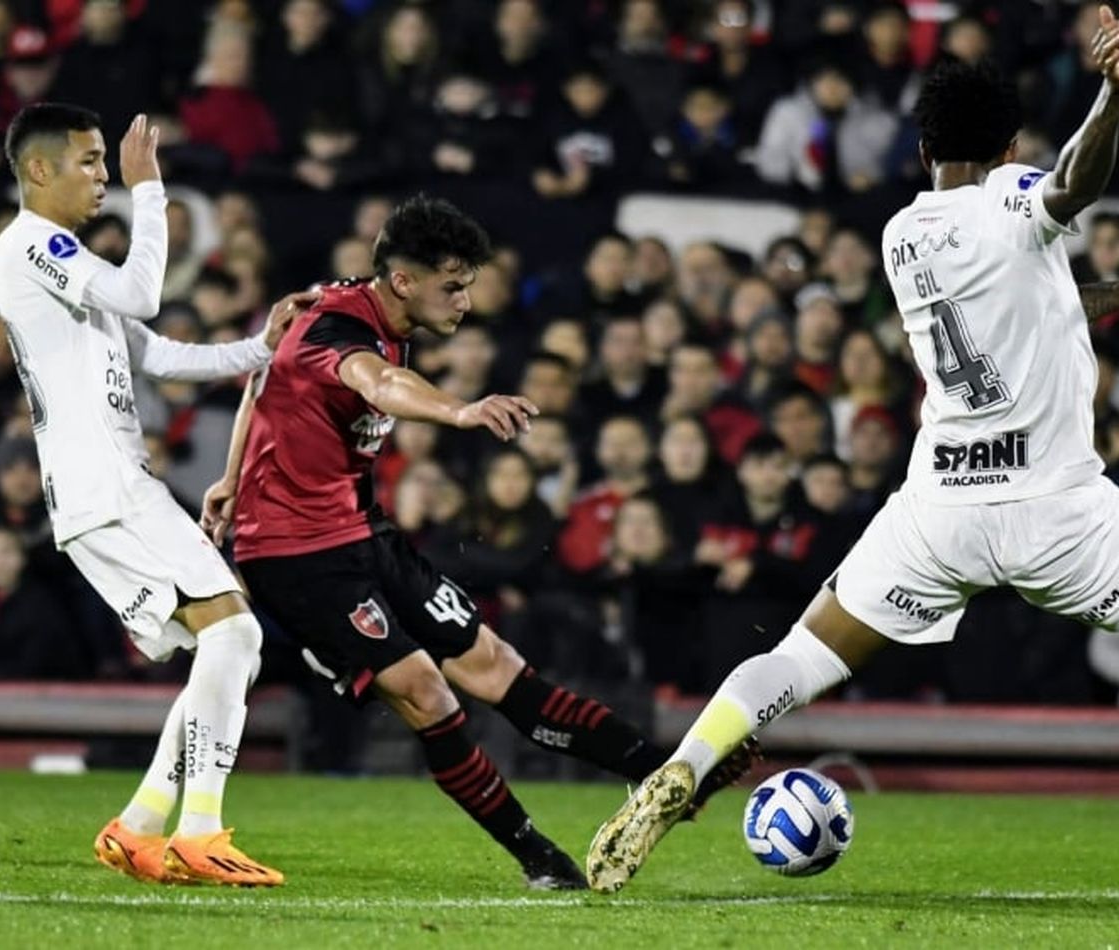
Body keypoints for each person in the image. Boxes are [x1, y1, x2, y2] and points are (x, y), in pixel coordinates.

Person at [586, 10, 1119, 893]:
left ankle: (686, 763)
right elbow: (1071, 190)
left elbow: (1032, 303)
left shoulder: (904, 236)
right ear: (1010, 143)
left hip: (938, 511)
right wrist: (1113, 98)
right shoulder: (1015, 196)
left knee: (802, 656)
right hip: (1055, 510)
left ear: (923, 141)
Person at [204, 196, 750, 891]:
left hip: (360, 528)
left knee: (495, 666)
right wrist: (459, 409)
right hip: (292, 552)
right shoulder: (336, 328)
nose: (466, 300)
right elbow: (380, 382)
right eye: (453, 284)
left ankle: (664, 773)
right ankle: (536, 857)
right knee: (430, 695)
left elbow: (262, 380)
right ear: (404, 281)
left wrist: (227, 477)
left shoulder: (362, 309)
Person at [0, 103, 308, 887]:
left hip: (106, 487)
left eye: (108, 164)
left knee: (221, 646)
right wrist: (152, 191)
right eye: (90, 162)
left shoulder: (61, 264)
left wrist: (260, 350)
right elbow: (143, 295)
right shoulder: (34, 243)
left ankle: (139, 826)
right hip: (106, 485)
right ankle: (198, 829)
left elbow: (156, 352)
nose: (105, 178)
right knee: (236, 637)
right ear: (39, 171)